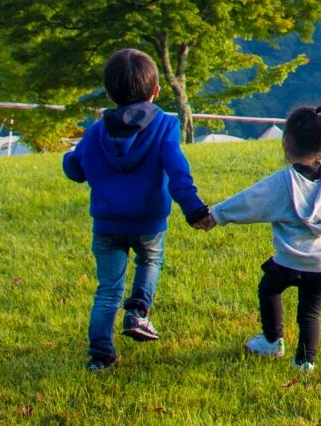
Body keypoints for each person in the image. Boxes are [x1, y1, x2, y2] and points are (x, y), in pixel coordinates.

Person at [63, 48, 213, 371]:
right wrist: (194, 209)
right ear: (155, 91)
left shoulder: (96, 131)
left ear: (109, 92)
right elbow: (178, 172)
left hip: (107, 226)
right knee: (150, 259)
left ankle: (100, 356)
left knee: (108, 289)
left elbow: (73, 169)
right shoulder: (164, 126)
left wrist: (79, 158)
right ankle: (139, 311)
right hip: (149, 222)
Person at [210, 104, 321, 372]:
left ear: (286, 143)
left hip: (290, 261)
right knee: (310, 312)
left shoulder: (283, 182)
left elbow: (249, 201)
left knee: (269, 289)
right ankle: (306, 362)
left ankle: (272, 341)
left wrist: (216, 215)